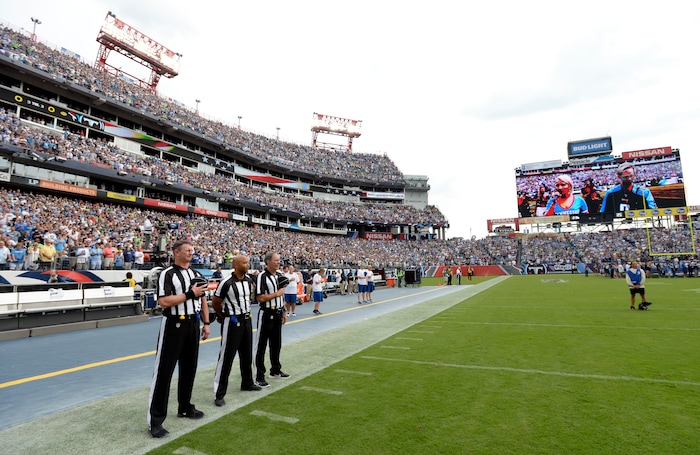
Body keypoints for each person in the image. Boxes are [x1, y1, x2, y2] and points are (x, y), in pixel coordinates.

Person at [147, 240, 211, 439]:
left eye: (193, 250)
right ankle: (155, 421)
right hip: (174, 324)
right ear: (176, 252)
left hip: (193, 324)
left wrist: (206, 322)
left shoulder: (196, 274)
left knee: (189, 368)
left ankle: (185, 406)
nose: (192, 252)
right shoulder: (167, 274)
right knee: (164, 372)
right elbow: (164, 301)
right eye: (188, 250)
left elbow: (202, 300)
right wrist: (189, 294)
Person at [212, 254, 262, 407]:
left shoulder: (248, 281)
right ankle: (219, 393)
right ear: (236, 265)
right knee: (226, 356)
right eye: (244, 263)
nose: (248, 265)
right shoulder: (226, 282)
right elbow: (216, 302)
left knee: (246, 354)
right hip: (232, 321)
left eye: (247, 262)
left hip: (247, 319)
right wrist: (223, 316)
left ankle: (247, 382)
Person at [254, 252, 289, 388]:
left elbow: (282, 296)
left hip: (278, 312)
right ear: (268, 262)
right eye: (275, 260)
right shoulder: (262, 277)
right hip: (266, 314)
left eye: (279, 260)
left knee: (276, 344)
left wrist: (284, 311)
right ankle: (259, 375)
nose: (278, 262)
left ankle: (275, 369)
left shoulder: (279, 275)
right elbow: (260, 298)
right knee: (261, 346)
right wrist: (276, 294)